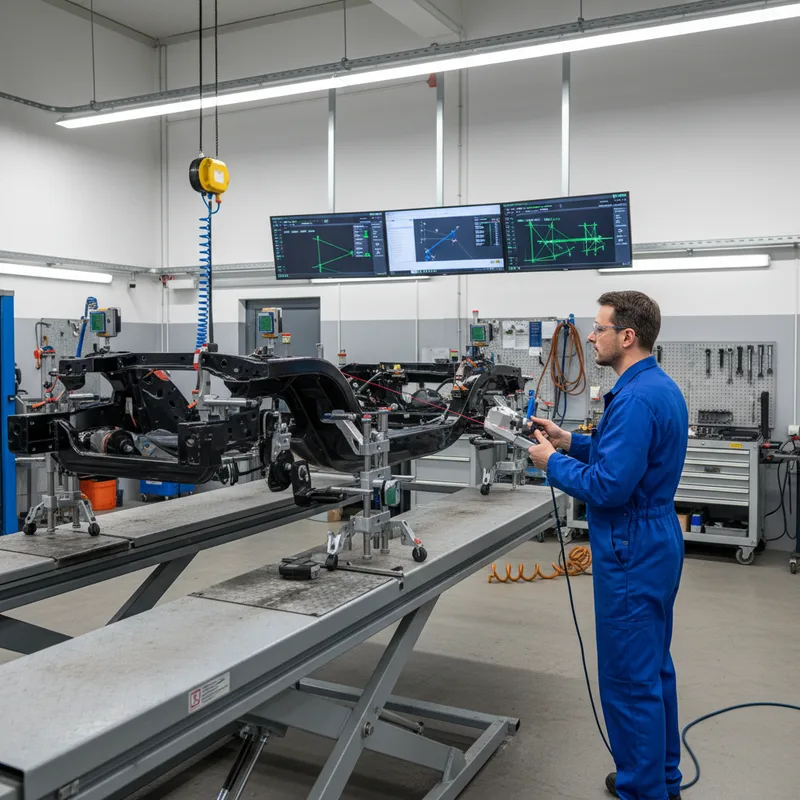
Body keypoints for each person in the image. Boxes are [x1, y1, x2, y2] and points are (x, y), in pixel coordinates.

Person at [527, 291, 688, 800]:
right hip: (656, 537)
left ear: (627, 336)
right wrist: (568, 441)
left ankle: (641, 790)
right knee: (652, 667)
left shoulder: (635, 399)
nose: (591, 337)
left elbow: (609, 486)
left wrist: (551, 463)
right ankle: (660, 778)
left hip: (630, 545)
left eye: (599, 328)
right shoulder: (656, 387)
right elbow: (624, 454)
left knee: (628, 678)